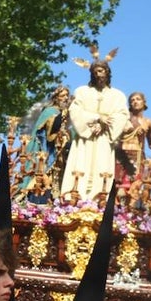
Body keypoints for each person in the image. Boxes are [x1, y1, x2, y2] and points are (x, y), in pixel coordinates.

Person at [61, 53, 128, 200]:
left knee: (102, 165)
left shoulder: (118, 95)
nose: (99, 74)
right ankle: (75, 196)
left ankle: (99, 197)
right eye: (95, 71)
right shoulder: (82, 91)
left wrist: (105, 126)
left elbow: (122, 115)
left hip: (104, 137)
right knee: (80, 163)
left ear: (107, 72)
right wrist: (97, 119)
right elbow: (75, 111)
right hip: (85, 137)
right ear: (92, 74)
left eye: (102, 70)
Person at [115, 91, 151, 183]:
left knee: (135, 185)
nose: (135, 102)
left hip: (138, 157)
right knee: (119, 184)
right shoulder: (124, 119)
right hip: (121, 155)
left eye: (138, 99)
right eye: (132, 100)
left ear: (144, 102)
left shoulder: (148, 122)